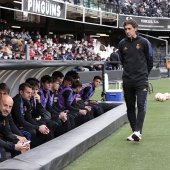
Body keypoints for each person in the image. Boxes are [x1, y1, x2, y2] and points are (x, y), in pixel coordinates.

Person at [118, 19, 153, 141]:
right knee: (130, 107)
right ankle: (135, 133)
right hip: (127, 80)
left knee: (141, 105)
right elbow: (122, 60)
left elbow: (150, 60)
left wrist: (144, 75)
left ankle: (137, 131)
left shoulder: (144, 42)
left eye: (129, 29)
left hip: (141, 80)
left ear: (135, 29)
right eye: (125, 29)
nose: (127, 31)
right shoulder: (122, 44)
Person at [0, 95, 29, 162]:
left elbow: (7, 133)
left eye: (10, 107)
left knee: (18, 147)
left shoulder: (5, 115)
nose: (7, 109)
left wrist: (19, 142)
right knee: (1, 152)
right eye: (5, 105)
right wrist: (14, 146)